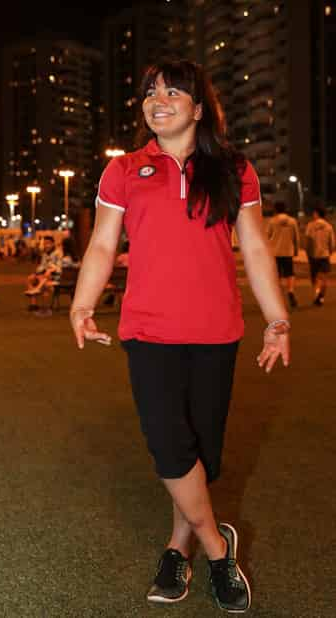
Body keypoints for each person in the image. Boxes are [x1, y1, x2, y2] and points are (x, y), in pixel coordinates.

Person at [70, 60, 290, 614]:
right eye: (149, 92)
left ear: (199, 107)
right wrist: (82, 304)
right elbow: (101, 244)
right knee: (170, 446)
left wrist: (277, 320)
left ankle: (177, 545)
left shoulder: (234, 169)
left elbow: (257, 248)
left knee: (201, 451)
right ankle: (219, 551)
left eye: (172, 91)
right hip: (148, 331)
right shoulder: (123, 171)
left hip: (217, 332)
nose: (157, 99)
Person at [266, 201, 300, 308]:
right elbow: (296, 237)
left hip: (275, 252)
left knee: (277, 276)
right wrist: (296, 250)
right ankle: (290, 291)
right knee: (290, 274)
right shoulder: (292, 221)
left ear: (275, 209)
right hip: (288, 251)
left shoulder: (272, 221)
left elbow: (267, 236)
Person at [305, 203, 335, 306]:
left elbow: (308, 240)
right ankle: (321, 297)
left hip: (313, 255)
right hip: (324, 254)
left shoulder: (310, 225)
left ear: (317, 214)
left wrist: (308, 252)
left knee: (315, 277)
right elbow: (332, 242)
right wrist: (330, 251)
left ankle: (317, 293)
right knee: (324, 277)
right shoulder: (328, 226)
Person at [24, 235, 63, 310]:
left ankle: (40, 293)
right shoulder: (44, 254)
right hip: (45, 275)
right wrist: (37, 272)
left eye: (48, 243)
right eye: (45, 243)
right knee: (30, 278)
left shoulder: (58, 253)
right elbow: (41, 266)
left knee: (44, 277)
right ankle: (33, 304)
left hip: (55, 277)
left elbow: (59, 268)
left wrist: (49, 268)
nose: (46, 245)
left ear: (53, 243)